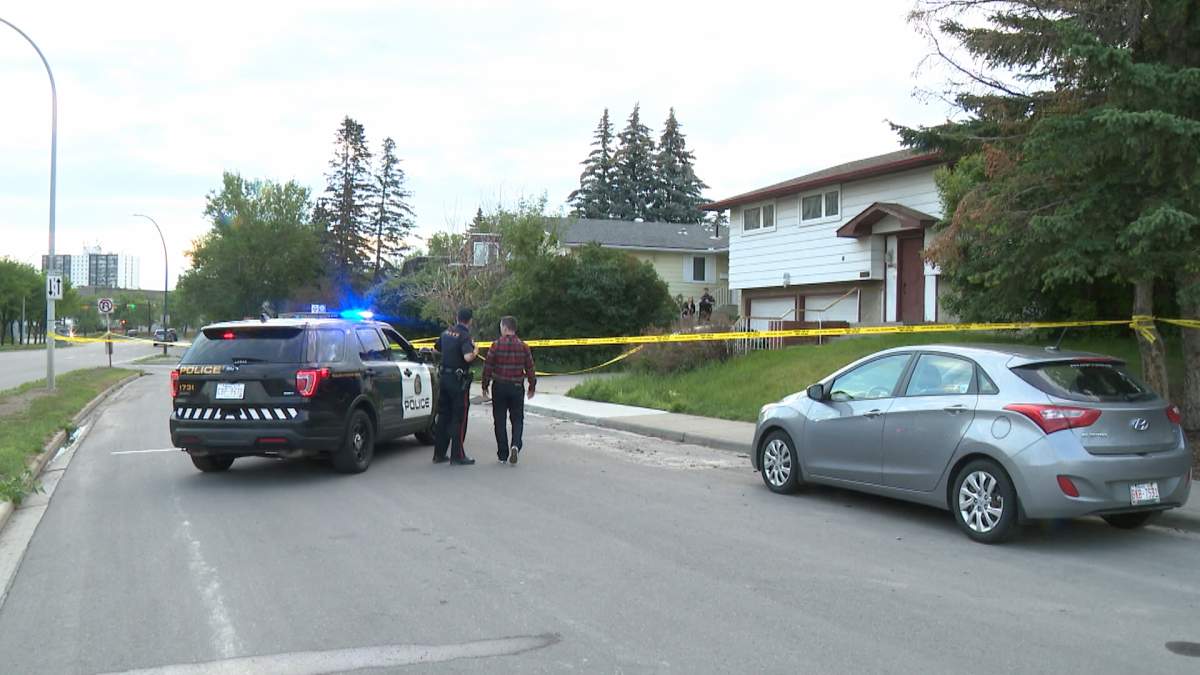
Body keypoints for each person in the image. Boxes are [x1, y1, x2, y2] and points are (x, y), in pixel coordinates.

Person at [481, 316, 536, 465]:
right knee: (517, 419)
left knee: (499, 420)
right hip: (517, 387)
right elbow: (530, 368)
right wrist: (532, 386)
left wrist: (484, 385)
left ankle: (502, 455)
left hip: (499, 386)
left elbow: (488, 367)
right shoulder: (524, 346)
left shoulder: (496, 345)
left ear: (505, 328)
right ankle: (516, 445)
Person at [433, 307, 479, 465]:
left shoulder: (446, 333)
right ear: (470, 321)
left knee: (443, 417)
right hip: (458, 382)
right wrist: (475, 351)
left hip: (444, 379)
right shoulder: (465, 336)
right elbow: (467, 357)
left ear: (457, 317)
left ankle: (439, 454)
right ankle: (457, 455)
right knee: (459, 418)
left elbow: (436, 348)